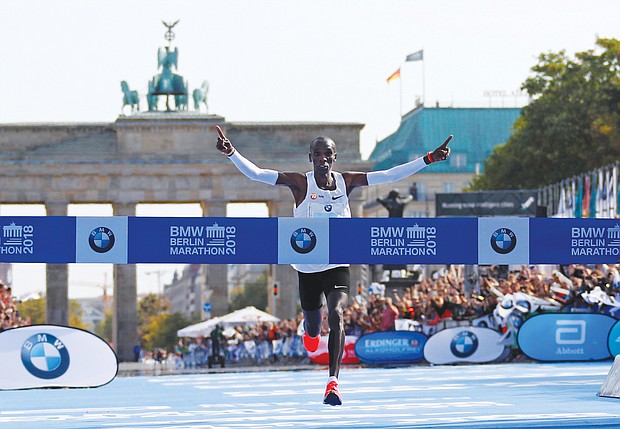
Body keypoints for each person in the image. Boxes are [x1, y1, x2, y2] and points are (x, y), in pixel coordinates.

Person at [215, 125, 451, 405]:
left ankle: (333, 383)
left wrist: (428, 159)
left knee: (337, 313)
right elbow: (258, 174)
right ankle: (309, 330)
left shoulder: (346, 182)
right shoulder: (300, 183)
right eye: (317, 154)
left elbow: (389, 175)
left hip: (338, 264)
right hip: (308, 269)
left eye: (327, 154)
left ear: (334, 157)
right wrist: (232, 153)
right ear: (310, 158)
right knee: (314, 327)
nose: (322, 159)